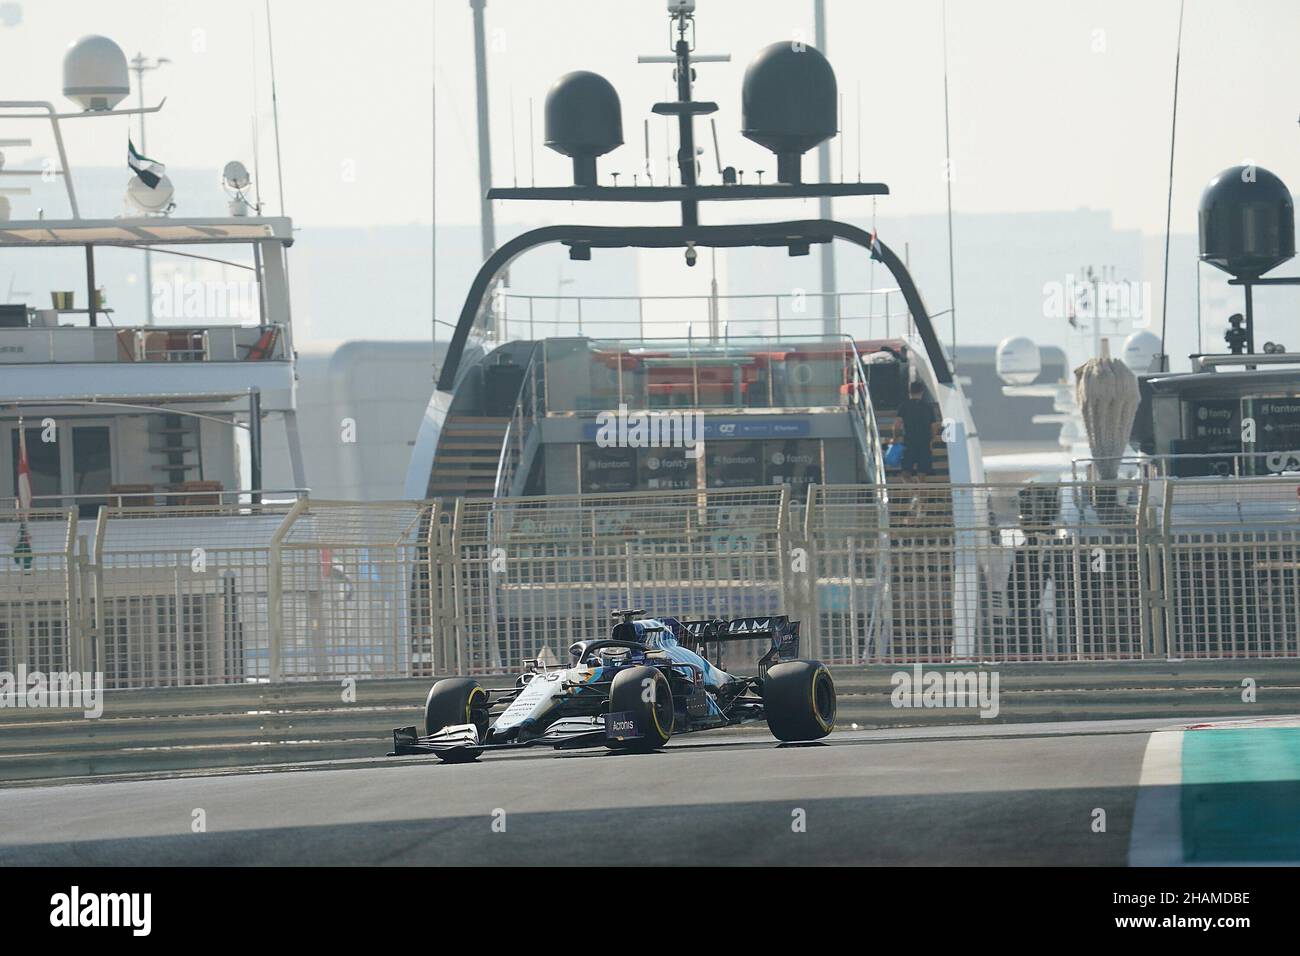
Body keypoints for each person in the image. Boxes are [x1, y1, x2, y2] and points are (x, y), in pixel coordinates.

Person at [892, 380, 937, 480]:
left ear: (910, 392)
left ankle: (914, 491)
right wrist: (931, 440)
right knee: (922, 474)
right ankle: (920, 493)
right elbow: (934, 426)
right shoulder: (928, 407)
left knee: (905, 473)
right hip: (924, 443)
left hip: (909, 442)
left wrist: (895, 437)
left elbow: (897, 424)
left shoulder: (904, 406)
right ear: (922, 392)